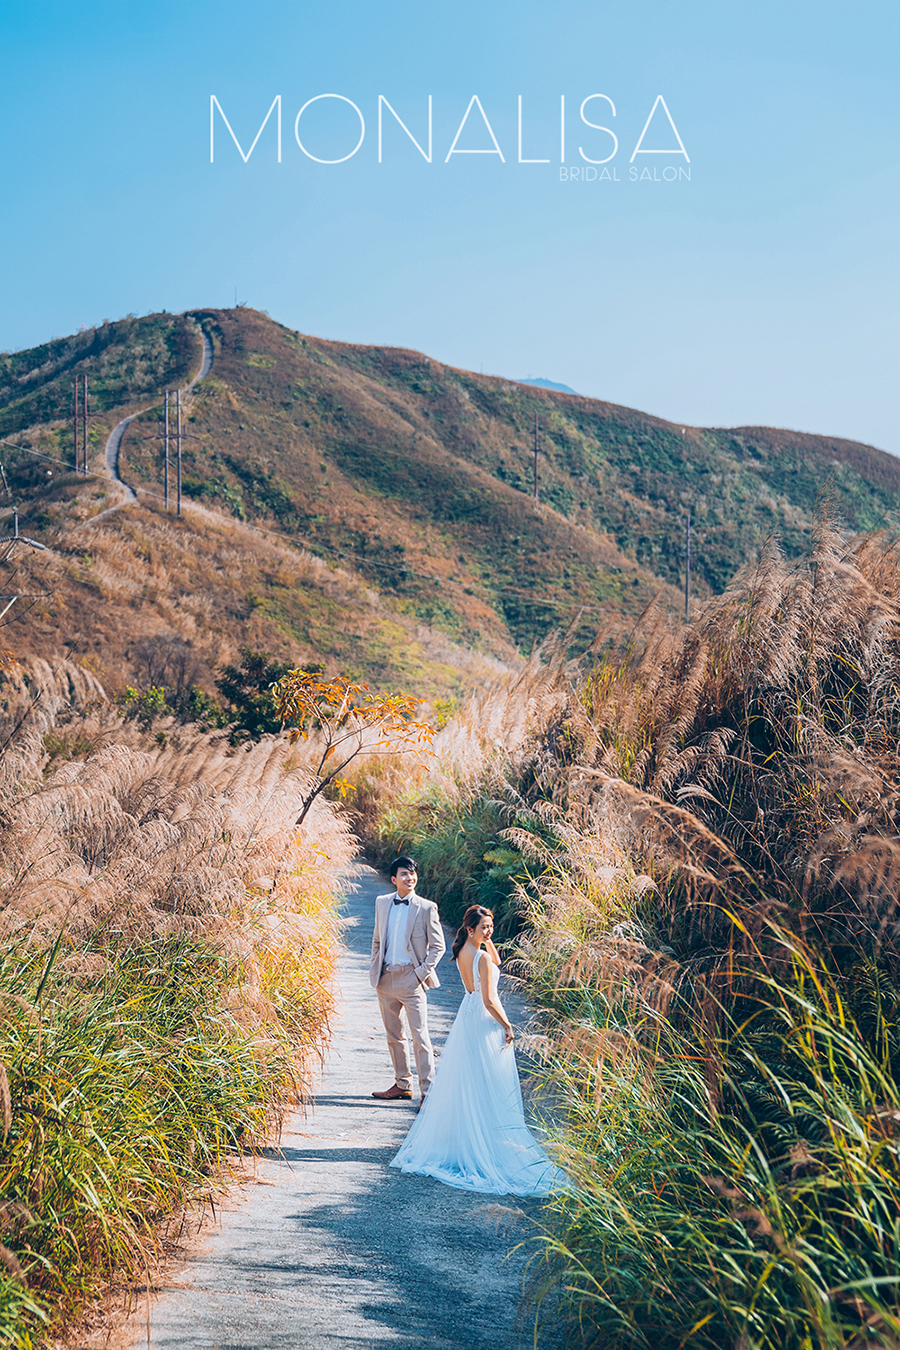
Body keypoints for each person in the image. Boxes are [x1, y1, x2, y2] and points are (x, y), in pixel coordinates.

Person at [390, 904, 566, 1195]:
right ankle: (485, 1140)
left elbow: (492, 962)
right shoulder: (481, 957)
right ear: (471, 928)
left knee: (471, 1079)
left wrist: (486, 939)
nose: (489, 931)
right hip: (484, 1020)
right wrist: (508, 1025)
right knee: (490, 1082)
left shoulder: (464, 951)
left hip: (467, 1017)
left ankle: (471, 1138)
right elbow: (490, 1000)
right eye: (484, 927)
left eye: (491, 926)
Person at [370, 857, 446, 1107]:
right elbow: (377, 940)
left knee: (420, 1037)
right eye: (404, 874)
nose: (409, 878)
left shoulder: (426, 908)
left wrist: (420, 973)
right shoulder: (382, 903)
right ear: (394, 879)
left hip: (411, 979)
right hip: (385, 978)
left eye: (412, 874)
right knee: (394, 1036)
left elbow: (438, 946)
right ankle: (402, 1085)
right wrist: (376, 968)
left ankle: (428, 1092)